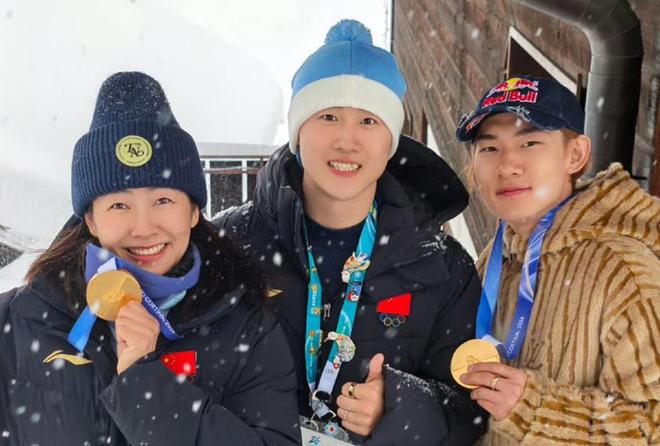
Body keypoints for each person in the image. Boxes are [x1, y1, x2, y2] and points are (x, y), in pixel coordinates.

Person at [214, 19, 485, 445]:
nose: (347, 140)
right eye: (328, 116)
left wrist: (398, 406)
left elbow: (470, 411)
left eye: (369, 121)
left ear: (390, 141)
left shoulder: (443, 266)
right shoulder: (228, 244)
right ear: (298, 131)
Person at [0, 72, 300, 445]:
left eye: (163, 200)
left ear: (193, 211)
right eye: (119, 205)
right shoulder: (16, 323)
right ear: (90, 220)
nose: (143, 228)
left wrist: (146, 386)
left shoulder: (247, 328)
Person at [455, 75, 660, 445]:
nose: (507, 165)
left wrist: (532, 410)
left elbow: (651, 427)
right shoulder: (496, 256)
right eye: (489, 148)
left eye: (529, 142)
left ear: (575, 155)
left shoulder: (625, 272)